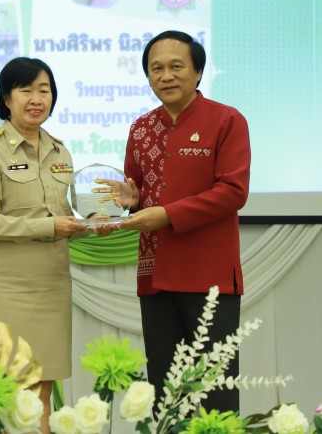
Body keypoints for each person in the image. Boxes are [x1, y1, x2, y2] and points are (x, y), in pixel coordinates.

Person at [97, 30, 250, 413]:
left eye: (176, 66)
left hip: (209, 278)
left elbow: (233, 191)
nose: (166, 76)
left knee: (215, 395)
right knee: (165, 397)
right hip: (156, 277)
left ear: (197, 72)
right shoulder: (140, 128)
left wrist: (167, 214)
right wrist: (131, 201)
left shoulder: (227, 120)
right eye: (156, 68)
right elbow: (137, 193)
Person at [0, 57, 88, 433]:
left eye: (44, 90)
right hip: (6, 288)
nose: (37, 99)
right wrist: (50, 226)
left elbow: (65, 214)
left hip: (51, 284)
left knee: (42, 389)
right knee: (7, 389)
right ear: (6, 98)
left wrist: (100, 219)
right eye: (26, 90)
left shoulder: (60, 151)